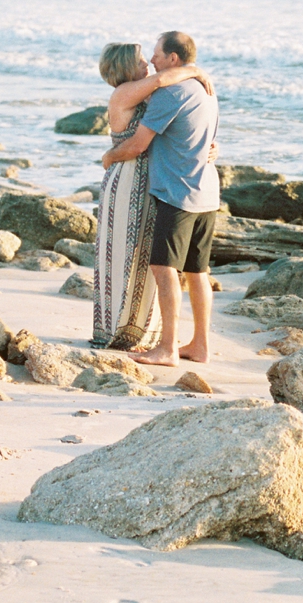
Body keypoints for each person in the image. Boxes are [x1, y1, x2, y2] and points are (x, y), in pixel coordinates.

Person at [100, 30, 220, 367]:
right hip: (207, 190)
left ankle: (167, 348)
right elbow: (204, 136)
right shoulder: (206, 91)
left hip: (177, 191)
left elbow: (138, 145)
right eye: (144, 57)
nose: (151, 60)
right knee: (197, 271)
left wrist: (108, 157)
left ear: (173, 60)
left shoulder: (170, 93)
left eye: (155, 54)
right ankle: (200, 345)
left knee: (163, 267)